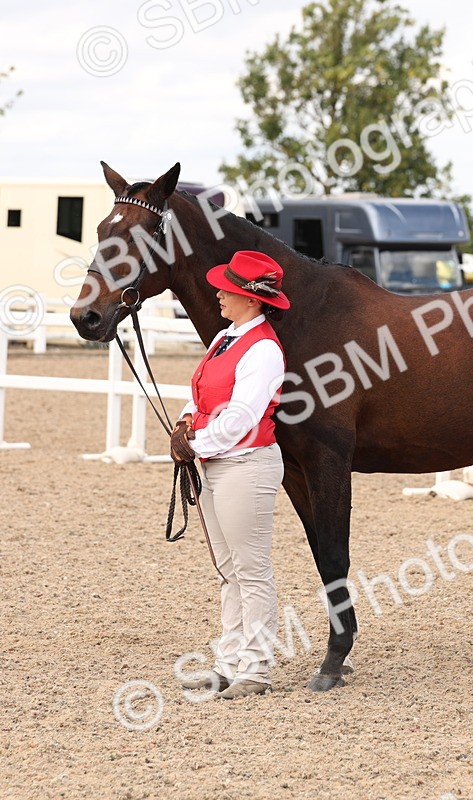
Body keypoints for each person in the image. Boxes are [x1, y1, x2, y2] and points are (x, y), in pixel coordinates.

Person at [170, 250, 290, 700]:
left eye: (230, 289)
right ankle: (228, 661)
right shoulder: (226, 337)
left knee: (251, 570)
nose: (219, 293)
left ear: (254, 301)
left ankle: (256, 668)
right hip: (215, 463)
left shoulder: (262, 350)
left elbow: (241, 417)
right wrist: (184, 426)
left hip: (245, 465)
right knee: (228, 570)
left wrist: (194, 444)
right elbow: (200, 395)